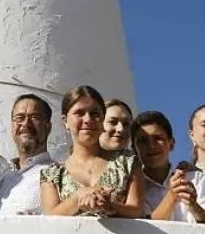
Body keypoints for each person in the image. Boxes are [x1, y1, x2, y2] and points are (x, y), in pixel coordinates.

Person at [40, 86, 144, 218]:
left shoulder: (127, 162)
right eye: (79, 113)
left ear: (102, 119)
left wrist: (109, 206)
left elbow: (136, 210)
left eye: (95, 113)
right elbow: (49, 218)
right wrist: (79, 197)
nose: (87, 119)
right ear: (65, 121)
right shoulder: (51, 174)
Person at [133, 110, 205, 224]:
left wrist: (193, 205)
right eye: (143, 141)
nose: (151, 146)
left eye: (158, 138)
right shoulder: (133, 188)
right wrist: (172, 195)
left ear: (171, 144)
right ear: (134, 149)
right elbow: (144, 228)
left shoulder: (194, 178)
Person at [0, 94, 56, 215]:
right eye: (19, 118)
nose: (26, 124)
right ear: (12, 126)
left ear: (48, 127)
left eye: (35, 117)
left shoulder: (58, 174)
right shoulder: (0, 176)